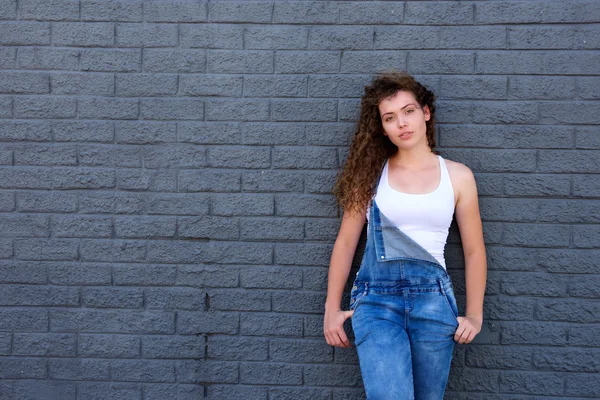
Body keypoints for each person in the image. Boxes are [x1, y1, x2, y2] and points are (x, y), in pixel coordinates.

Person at [323, 71, 487, 399]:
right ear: (382, 127)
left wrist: (475, 314)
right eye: (390, 117)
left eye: (409, 111)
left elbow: (474, 251)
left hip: (434, 303)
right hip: (376, 302)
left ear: (426, 112)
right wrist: (331, 307)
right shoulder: (369, 176)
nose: (402, 123)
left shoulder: (458, 176)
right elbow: (345, 242)